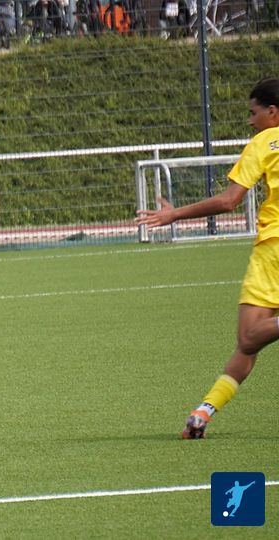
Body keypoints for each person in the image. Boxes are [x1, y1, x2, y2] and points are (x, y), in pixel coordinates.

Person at [135, 77, 279, 439]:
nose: (250, 120)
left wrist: (174, 214)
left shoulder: (264, 142)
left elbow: (229, 201)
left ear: (273, 112)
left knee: (249, 338)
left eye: (254, 113)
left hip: (274, 249)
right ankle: (203, 413)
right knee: (249, 341)